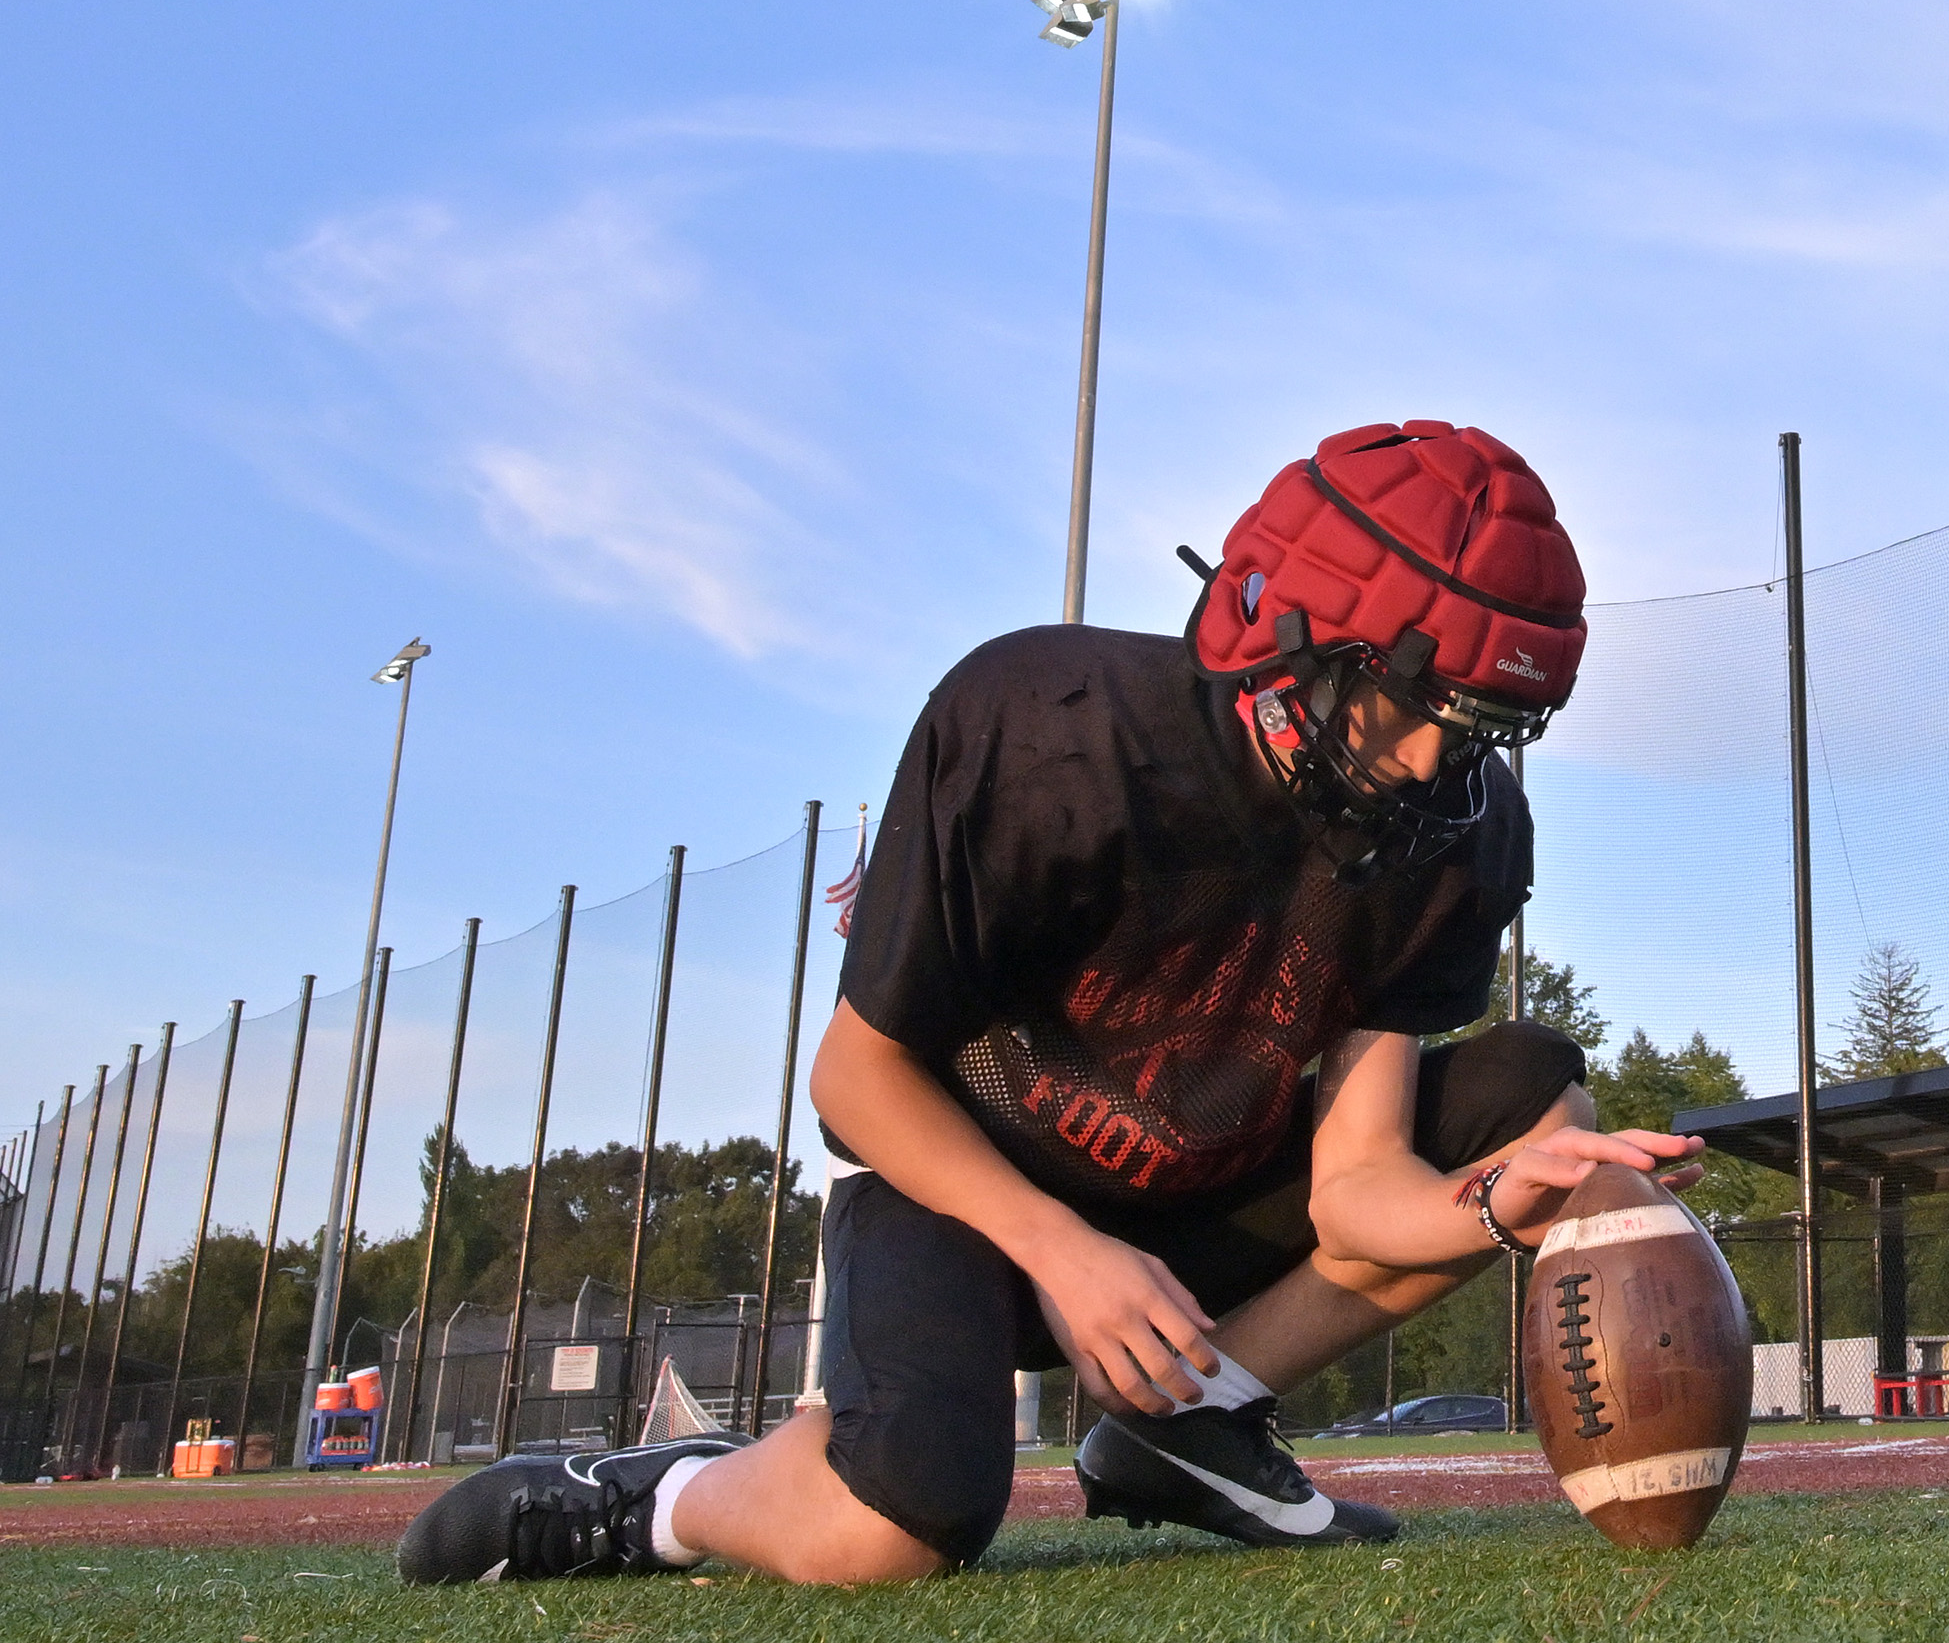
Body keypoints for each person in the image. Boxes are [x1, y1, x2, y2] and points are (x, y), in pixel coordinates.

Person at [398, 420, 1698, 1586]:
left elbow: (1356, 1183)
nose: (1427, 760)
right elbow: (856, 1081)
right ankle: (651, 1499)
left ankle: (1183, 1425)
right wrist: (1061, 1249)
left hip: (1197, 1216)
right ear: (1287, 627)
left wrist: (1490, 1204)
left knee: (1538, 1107)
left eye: (1469, 725)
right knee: (893, 1532)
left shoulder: (1457, 841)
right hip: (963, 1197)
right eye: (1403, 703)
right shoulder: (1050, 732)